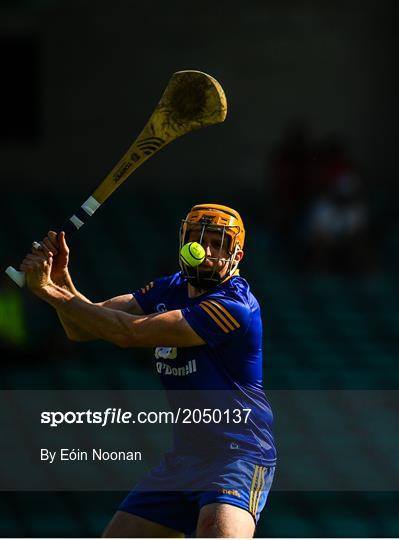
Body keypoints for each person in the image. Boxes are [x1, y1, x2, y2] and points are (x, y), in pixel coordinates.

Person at [21, 203, 277, 538]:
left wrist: (51, 293)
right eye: (198, 239)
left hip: (237, 457)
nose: (206, 250)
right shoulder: (168, 288)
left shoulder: (233, 306)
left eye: (218, 243)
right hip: (183, 460)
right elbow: (82, 328)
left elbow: (129, 332)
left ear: (237, 257)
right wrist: (62, 282)